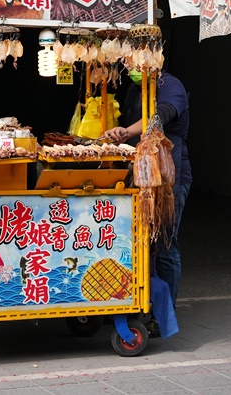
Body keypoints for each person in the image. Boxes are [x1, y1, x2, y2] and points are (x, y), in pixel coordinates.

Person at [101, 70, 191, 307]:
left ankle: (164, 313)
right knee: (140, 244)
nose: (129, 67)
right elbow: (129, 125)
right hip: (141, 175)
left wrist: (127, 131)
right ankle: (139, 302)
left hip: (168, 179)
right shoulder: (134, 89)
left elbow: (160, 117)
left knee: (164, 245)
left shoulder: (171, 84)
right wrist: (117, 131)